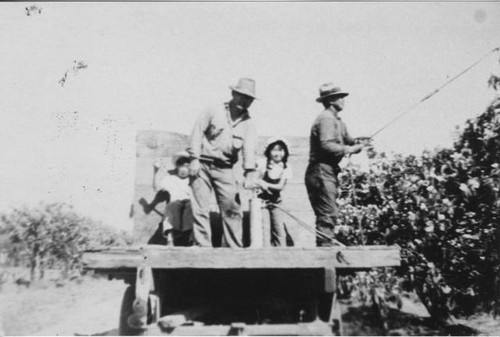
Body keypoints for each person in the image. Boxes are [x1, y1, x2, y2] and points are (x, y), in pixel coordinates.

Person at [188, 78, 258, 247]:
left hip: (225, 168)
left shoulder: (248, 123)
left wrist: (249, 174)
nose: (244, 101)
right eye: (241, 96)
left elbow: (249, 150)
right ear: (233, 94)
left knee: (232, 208)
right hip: (202, 164)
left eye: (248, 98)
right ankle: (202, 246)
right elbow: (197, 132)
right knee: (200, 208)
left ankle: (234, 248)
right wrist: (194, 159)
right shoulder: (213, 110)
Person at [304, 83, 369, 246]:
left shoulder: (337, 120)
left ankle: (325, 247)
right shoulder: (326, 118)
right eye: (340, 97)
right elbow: (327, 145)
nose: (343, 100)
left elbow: (349, 140)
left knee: (329, 211)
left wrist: (359, 143)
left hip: (327, 170)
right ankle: (325, 251)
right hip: (321, 170)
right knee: (327, 212)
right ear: (331, 100)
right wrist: (351, 149)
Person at [144, 151, 193, 246]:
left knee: (190, 206)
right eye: (181, 166)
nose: (184, 170)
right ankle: (170, 238)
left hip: (189, 204)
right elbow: (156, 187)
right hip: (175, 205)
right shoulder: (170, 179)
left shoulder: (194, 180)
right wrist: (156, 172)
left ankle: (189, 238)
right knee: (171, 206)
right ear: (177, 167)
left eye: (187, 166)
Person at [256, 137, 293, 246]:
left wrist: (265, 184)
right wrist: (259, 182)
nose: (278, 153)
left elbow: (280, 186)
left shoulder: (286, 167)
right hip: (262, 203)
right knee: (265, 230)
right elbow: (253, 179)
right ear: (268, 151)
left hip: (276, 202)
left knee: (279, 230)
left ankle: (281, 254)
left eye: (281, 150)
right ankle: (266, 255)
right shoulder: (262, 164)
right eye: (274, 150)